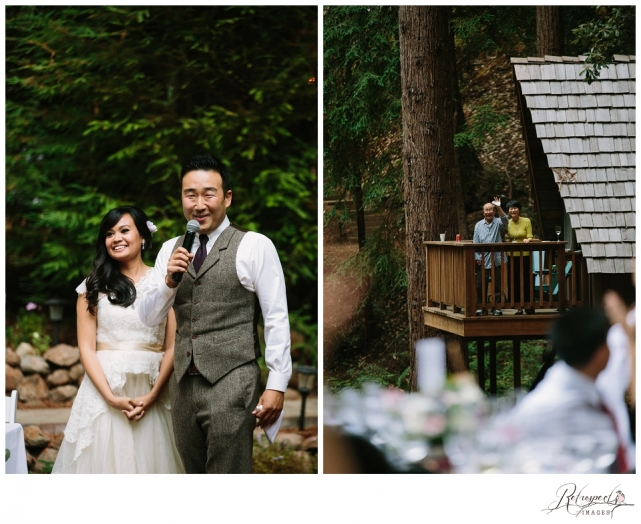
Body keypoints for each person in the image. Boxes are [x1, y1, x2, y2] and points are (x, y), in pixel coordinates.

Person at [138, 154, 292, 474]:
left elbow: (276, 316)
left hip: (232, 379)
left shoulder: (254, 245)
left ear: (227, 197)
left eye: (209, 193)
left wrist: (276, 384)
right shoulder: (170, 249)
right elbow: (149, 318)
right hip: (182, 385)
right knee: (191, 473)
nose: (199, 204)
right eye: (190, 194)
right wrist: (168, 281)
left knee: (228, 474)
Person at [52, 206, 184, 474]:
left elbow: (172, 346)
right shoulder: (92, 286)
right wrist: (111, 398)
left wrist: (153, 394)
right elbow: (87, 348)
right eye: (109, 233)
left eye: (125, 230)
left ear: (143, 237)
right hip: (105, 391)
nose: (116, 238)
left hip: (153, 390)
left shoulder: (165, 282)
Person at [507, 308, 625, 473]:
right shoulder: (552, 407)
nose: (616, 349)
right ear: (600, 354)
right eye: (609, 343)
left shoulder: (585, 377)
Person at [473, 197, 508, 316]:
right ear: (483, 212)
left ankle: (496, 307)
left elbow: (506, 220)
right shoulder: (478, 225)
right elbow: (475, 242)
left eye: (490, 210)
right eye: (486, 210)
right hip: (482, 258)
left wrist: (498, 206)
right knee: (480, 284)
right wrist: (477, 257)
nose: (488, 212)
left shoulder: (498, 222)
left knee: (497, 284)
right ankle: (481, 307)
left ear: (493, 212)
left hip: (497, 257)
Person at [505, 200, 535, 315]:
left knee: (527, 280)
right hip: (512, 256)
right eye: (511, 208)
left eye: (515, 208)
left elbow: (530, 236)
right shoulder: (508, 223)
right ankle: (518, 307)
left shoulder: (526, 221)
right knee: (514, 280)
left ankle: (529, 305)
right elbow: (505, 235)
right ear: (508, 211)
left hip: (525, 255)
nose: (513, 210)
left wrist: (528, 239)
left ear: (519, 209)